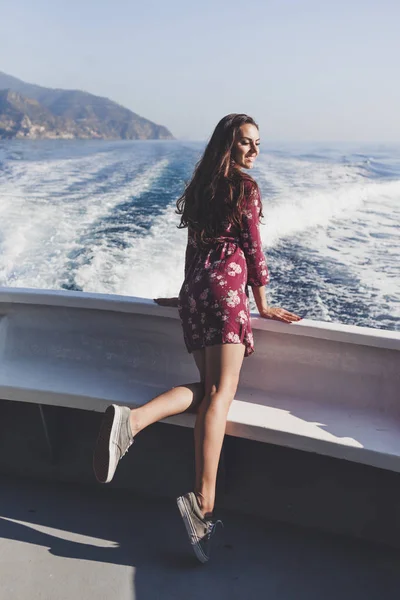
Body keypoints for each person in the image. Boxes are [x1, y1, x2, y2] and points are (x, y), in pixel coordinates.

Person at [93, 114, 301, 563]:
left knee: (207, 390)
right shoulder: (245, 188)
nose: (254, 152)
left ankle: (131, 422)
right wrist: (261, 303)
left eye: (257, 145)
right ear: (229, 143)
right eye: (246, 143)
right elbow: (251, 246)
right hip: (226, 290)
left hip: (198, 292)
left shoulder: (202, 186)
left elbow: (193, 248)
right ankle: (203, 503)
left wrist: (186, 292)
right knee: (222, 394)